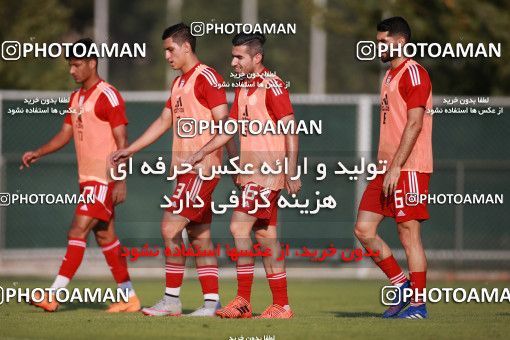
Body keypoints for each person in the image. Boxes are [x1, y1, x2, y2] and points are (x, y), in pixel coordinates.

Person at [111, 23, 236, 317]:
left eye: (170, 49)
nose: (167, 55)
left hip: (201, 171)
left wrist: (225, 160)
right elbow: (162, 121)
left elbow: (226, 125)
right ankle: (211, 303)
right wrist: (130, 149)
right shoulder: (178, 84)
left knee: (169, 227)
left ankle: (171, 300)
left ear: (186, 47)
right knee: (199, 236)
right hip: (186, 173)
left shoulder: (207, 77)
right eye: (164, 50)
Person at [187, 33, 301, 319]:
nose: (233, 62)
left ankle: (243, 301)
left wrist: (290, 170)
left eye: (239, 57)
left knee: (239, 229)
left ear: (257, 57)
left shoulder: (272, 86)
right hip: (252, 175)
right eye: (233, 56)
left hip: (266, 173)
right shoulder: (244, 88)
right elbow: (229, 129)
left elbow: (291, 128)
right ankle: (282, 305)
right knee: (265, 236)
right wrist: (204, 151)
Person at [21, 38, 139, 313]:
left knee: (77, 229)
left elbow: (123, 140)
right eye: (70, 65)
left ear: (91, 63)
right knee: (105, 238)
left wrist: (120, 179)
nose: (71, 71)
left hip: (103, 178)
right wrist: (38, 152)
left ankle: (52, 295)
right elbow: (66, 133)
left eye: (76, 65)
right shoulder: (75, 98)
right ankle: (129, 298)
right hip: (87, 179)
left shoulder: (108, 94)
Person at [354, 17, 433, 319]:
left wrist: (397, 166)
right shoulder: (389, 75)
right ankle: (401, 287)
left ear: (400, 41)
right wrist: (387, 167)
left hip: (409, 168)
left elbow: (414, 124)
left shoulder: (415, 73)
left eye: (383, 42)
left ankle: (418, 305)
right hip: (387, 168)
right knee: (363, 229)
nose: (378, 47)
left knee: (408, 234)